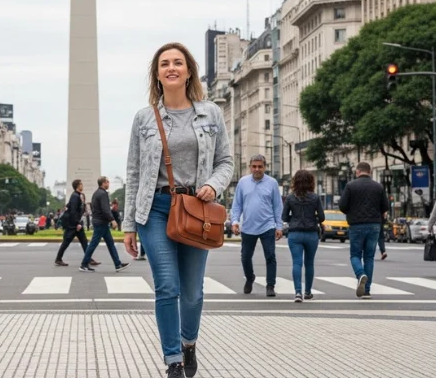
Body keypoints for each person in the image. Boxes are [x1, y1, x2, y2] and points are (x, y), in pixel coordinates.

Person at [122, 42, 233, 378]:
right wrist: (129, 223)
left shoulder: (211, 113)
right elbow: (133, 172)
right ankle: (173, 360)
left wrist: (214, 185)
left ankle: (188, 343)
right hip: (154, 209)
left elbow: (225, 161)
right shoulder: (143, 118)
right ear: (157, 74)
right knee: (166, 286)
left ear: (188, 71)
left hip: (196, 208)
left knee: (193, 292)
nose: (171, 68)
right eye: (164, 64)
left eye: (178, 63)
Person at [230, 154, 283, 297]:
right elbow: (237, 205)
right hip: (248, 226)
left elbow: (278, 206)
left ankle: (270, 285)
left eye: (260, 166)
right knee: (245, 257)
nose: (257, 169)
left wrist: (279, 226)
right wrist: (235, 221)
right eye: (254, 166)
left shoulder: (272, 183)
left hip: (267, 226)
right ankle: (250, 277)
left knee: (270, 256)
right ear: (250, 167)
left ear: (265, 167)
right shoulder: (243, 182)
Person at [339, 162, 388, 299]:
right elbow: (385, 206)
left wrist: (352, 211)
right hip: (374, 225)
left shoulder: (350, 186)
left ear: (357, 172)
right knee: (369, 257)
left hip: (356, 224)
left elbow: (342, 206)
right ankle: (367, 290)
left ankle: (361, 274)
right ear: (370, 172)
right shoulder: (378, 187)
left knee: (355, 255)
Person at [282, 170, 325, 302]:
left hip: (295, 233)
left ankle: (298, 293)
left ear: (295, 182)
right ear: (311, 182)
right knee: (309, 263)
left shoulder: (290, 198)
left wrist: (294, 218)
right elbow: (322, 217)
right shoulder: (315, 197)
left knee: (297, 262)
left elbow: (284, 217)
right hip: (311, 233)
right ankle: (308, 292)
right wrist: (313, 218)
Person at [79, 176, 129, 273]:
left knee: (110, 244)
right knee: (94, 244)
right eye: (107, 182)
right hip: (101, 223)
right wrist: (112, 220)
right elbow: (106, 209)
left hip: (100, 222)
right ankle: (84, 264)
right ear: (103, 183)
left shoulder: (96, 193)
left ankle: (118, 264)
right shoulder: (103, 194)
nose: (109, 183)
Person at [54, 180, 99, 266]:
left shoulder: (76, 196)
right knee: (66, 242)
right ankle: (58, 258)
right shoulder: (75, 196)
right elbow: (73, 212)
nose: (83, 185)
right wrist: (77, 223)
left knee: (84, 242)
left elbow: (69, 206)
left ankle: (89, 259)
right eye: (81, 184)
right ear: (78, 186)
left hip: (76, 224)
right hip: (73, 225)